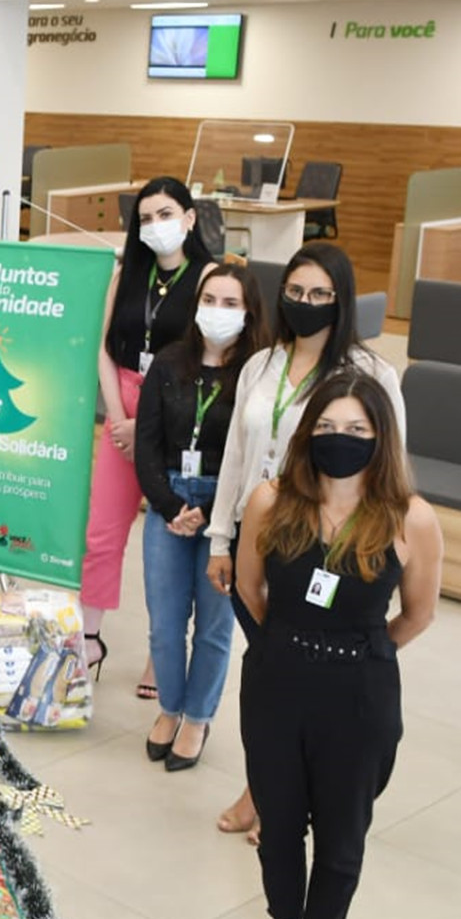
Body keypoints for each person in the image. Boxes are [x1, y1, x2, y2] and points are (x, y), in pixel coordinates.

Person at [232, 372, 439, 919]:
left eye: (356, 430)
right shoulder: (272, 500)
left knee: (343, 835)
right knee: (278, 826)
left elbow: (416, 615)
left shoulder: (411, 517)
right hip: (275, 684)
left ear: (381, 439)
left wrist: (356, 654)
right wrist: (293, 648)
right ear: (305, 432)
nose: (339, 440)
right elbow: (249, 588)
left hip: (359, 696)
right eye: (326, 427)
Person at [205, 242, 405, 841]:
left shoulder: (372, 376)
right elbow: (236, 459)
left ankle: (283, 800)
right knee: (268, 672)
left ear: (340, 300)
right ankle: (267, 788)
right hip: (255, 535)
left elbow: (389, 469)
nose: (306, 304)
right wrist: (221, 537)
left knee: (309, 684)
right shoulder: (260, 365)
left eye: (320, 294)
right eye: (295, 292)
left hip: (323, 548)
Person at [83, 175, 213, 693]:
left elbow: (207, 358)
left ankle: (164, 654)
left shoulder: (207, 278)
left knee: (169, 541)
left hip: (178, 412)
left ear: (190, 218)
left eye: (166, 214)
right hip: (123, 412)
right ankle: (88, 639)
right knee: (100, 533)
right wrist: (118, 419)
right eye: (146, 218)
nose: (156, 226)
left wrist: (148, 424)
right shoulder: (127, 274)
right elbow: (103, 348)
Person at [133, 263, 264, 770]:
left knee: (214, 626)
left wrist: (210, 513)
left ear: (249, 312)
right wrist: (170, 506)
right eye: (210, 299)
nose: (218, 311)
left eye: (231, 303)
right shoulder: (168, 363)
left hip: (226, 509)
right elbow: (146, 446)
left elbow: (253, 456)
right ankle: (169, 708)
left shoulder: (256, 374)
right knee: (165, 623)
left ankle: (197, 718)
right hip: (169, 502)